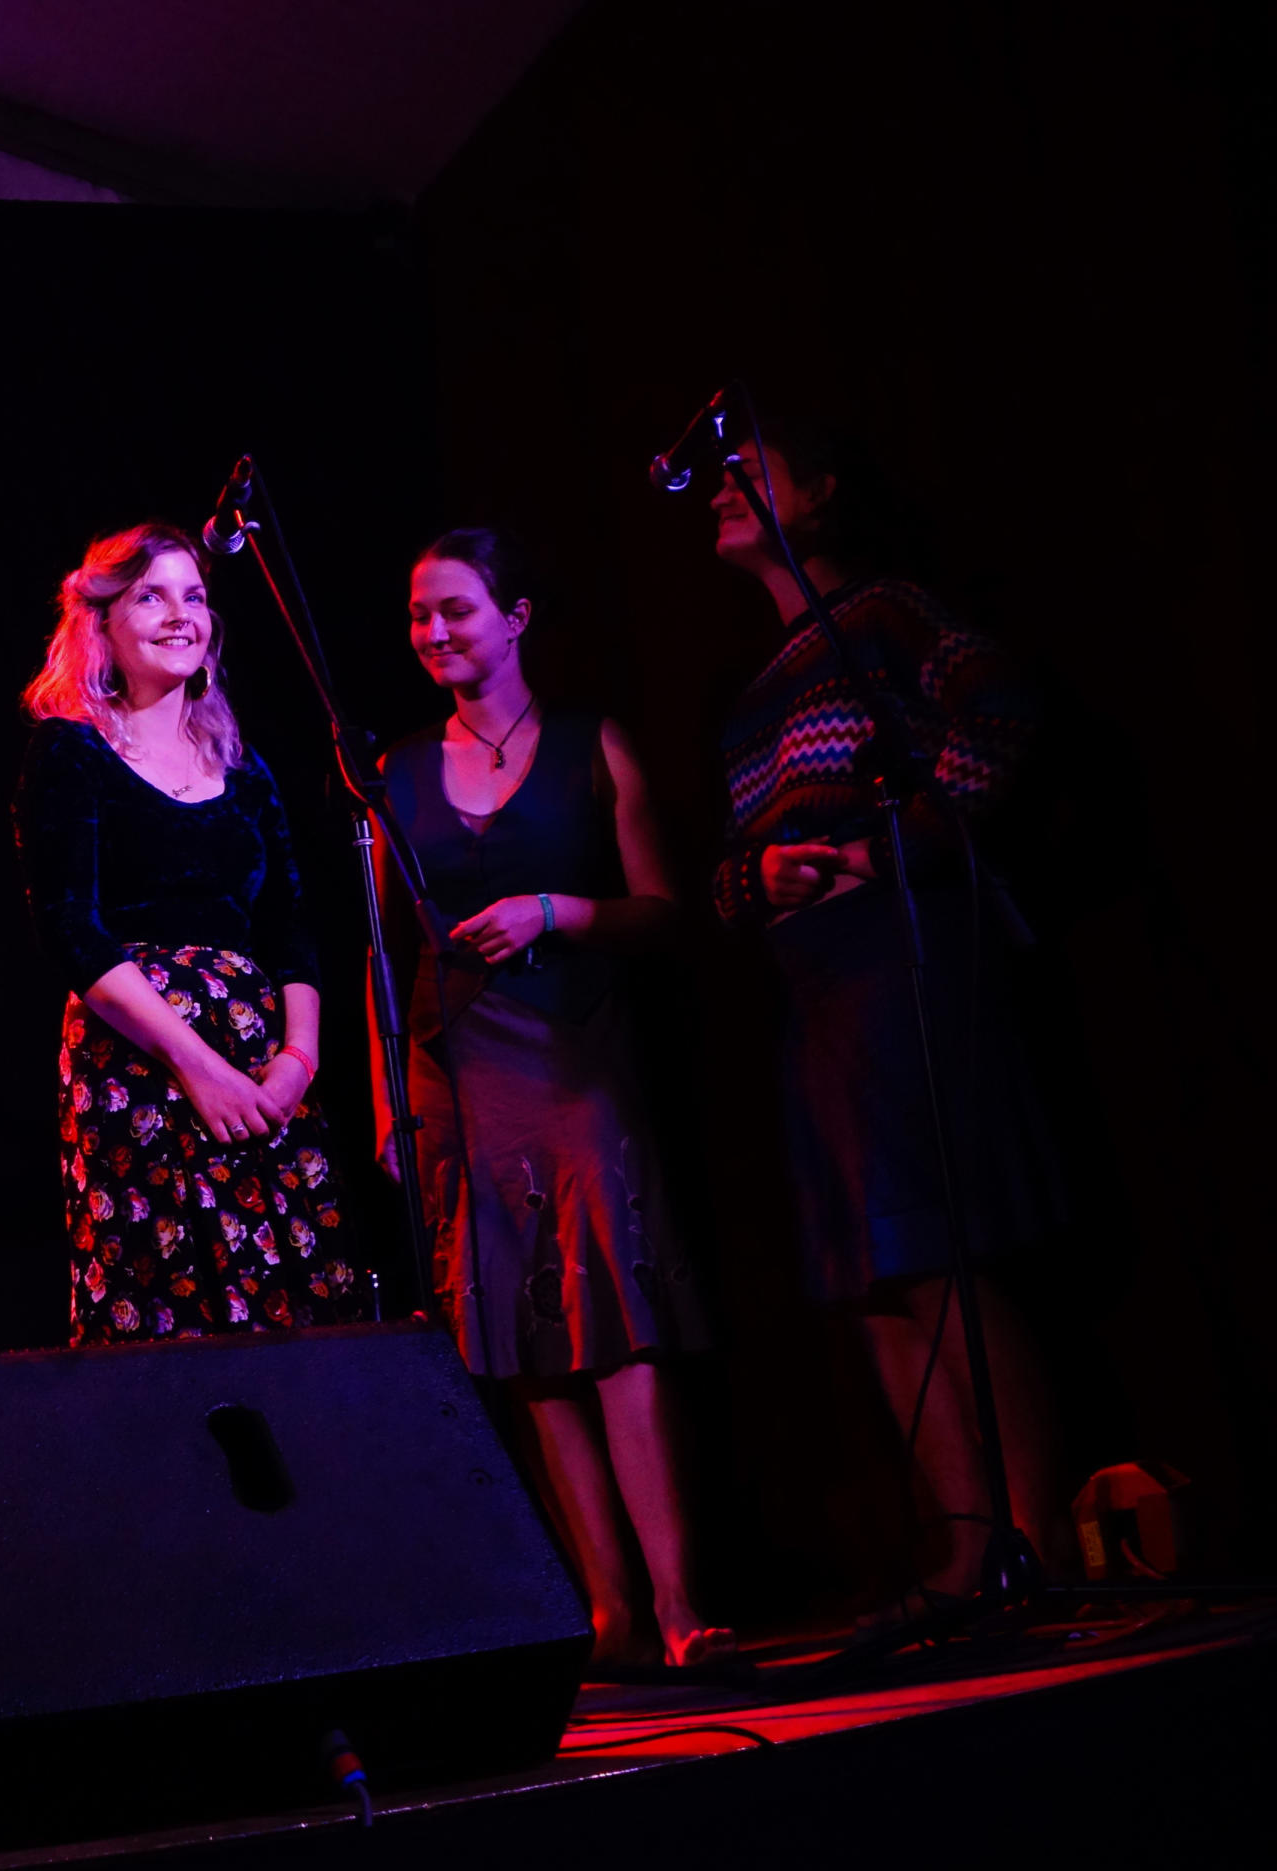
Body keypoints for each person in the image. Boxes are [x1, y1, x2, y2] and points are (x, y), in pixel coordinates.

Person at [699, 428, 1066, 1602]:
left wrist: (899, 843)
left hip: (896, 958)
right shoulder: (749, 694)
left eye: (750, 468)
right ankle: (964, 1546)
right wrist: (757, 877)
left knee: (942, 1249)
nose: (720, 488)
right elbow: (727, 869)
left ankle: (1035, 1537)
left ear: (816, 493)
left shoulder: (885, 614)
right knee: (872, 1269)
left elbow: (998, 705)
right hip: (809, 987)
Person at [386, 527, 721, 1672]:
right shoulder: (392, 773)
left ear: (516, 616)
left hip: (576, 1055)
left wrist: (557, 911)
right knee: (525, 1340)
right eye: (419, 613)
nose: (433, 631)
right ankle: (605, 1610)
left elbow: (662, 908)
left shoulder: (590, 743)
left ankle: (678, 1604)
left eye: (456, 609)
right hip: (462, 1071)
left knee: (618, 1322)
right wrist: (392, 1101)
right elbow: (383, 952)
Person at [12, 521, 370, 1343]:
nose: (181, 615)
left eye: (195, 596)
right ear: (101, 623)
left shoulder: (243, 767)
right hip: (140, 1067)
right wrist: (195, 1065)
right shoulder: (71, 753)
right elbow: (70, 930)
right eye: (151, 596)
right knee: (169, 1306)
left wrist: (296, 1061)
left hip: (260, 1070)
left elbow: (289, 927)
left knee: (290, 1300)